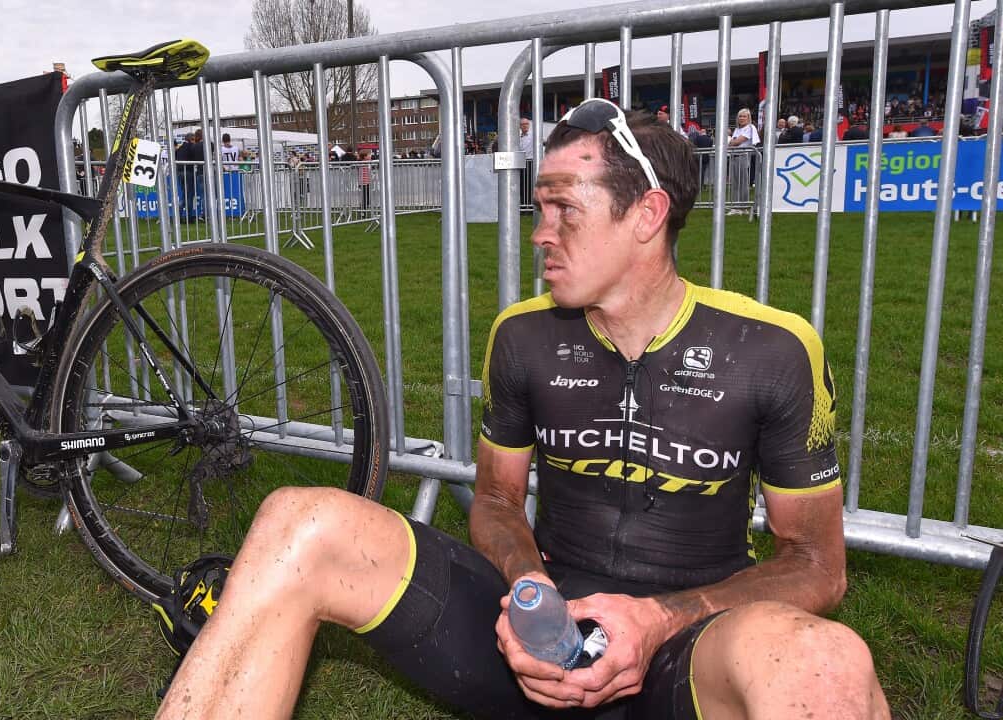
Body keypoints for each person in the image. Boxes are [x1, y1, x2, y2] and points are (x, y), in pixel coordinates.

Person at [155, 98, 889, 720]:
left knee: (827, 661)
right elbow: (500, 500)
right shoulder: (523, 335)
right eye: (540, 208)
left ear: (647, 215)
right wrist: (530, 591)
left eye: (565, 209)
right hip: (534, 631)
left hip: (690, 649)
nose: (541, 232)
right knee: (297, 520)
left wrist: (659, 619)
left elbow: (818, 563)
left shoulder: (773, 348)